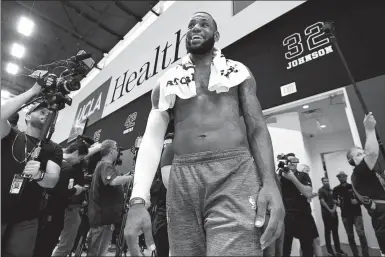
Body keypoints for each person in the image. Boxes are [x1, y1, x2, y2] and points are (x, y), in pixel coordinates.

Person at [124, 11, 285, 256]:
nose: (195, 28)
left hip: (233, 173)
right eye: (191, 25)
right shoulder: (166, 81)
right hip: (183, 178)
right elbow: (152, 139)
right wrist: (138, 199)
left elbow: (257, 127)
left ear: (216, 35)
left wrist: (270, 183)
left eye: (203, 24)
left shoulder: (238, 72)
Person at [1, 80, 62, 257]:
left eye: (49, 113)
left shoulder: (53, 148)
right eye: (41, 111)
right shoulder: (10, 134)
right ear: (27, 116)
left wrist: (39, 175)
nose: (46, 114)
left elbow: (52, 181)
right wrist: (33, 91)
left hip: (27, 219)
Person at [33, 141, 90, 257]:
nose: (79, 161)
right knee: (46, 245)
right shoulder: (67, 168)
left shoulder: (50, 162)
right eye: (80, 158)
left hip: (41, 210)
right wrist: (75, 190)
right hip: (54, 211)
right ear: (75, 153)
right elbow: (60, 191)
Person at [347, 112, 385, 255]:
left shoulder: (373, 173)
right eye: (358, 154)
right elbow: (372, 154)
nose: (363, 155)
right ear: (352, 161)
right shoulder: (358, 174)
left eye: (362, 152)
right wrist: (369, 129)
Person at [87, 140, 134, 256]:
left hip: (102, 218)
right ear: (112, 151)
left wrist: (127, 176)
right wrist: (132, 177)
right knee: (97, 252)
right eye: (117, 150)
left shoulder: (102, 165)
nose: (118, 152)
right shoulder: (105, 165)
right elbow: (113, 181)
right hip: (102, 219)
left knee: (97, 251)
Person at [279, 154, 320, 257]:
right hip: (287, 217)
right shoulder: (280, 177)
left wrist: (293, 178)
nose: (292, 162)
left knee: (307, 249)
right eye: (289, 160)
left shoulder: (303, 175)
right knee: (285, 249)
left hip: (304, 216)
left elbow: (308, 193)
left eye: (294, 160)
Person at [333, 171, 370, 257]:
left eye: (343, 176)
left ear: (346, 177)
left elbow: (362, 199)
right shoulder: (336, 189)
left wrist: (357, 201)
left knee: (361, 234)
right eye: (340, 177)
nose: (342, 178)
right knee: (350, 236)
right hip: (345, 215)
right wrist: (337, 203)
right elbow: (334, 200)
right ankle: (355, 254)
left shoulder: (353, 187)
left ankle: (365, 254)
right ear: (338, 178)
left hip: (357, 214)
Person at [297, 164, 323, 257]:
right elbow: (304, 195)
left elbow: (307, 196)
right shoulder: (297, 181)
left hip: (307, 214)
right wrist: (310, 195)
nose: (307, 173)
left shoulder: (304, 182)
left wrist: (310, 195)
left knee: (315, 240)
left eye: (308, 171)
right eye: (306, 170)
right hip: (301, 216)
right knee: (305, 243)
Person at [318, 178, 346, 256]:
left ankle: (338, 250)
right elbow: (322, 201)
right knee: (328, 232)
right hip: (326, 214)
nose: (326, 182)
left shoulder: (332, 190)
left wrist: (333, 209)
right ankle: (329, 251)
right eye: (324, 181)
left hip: (334, 214)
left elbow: (335, 200)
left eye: (327, 181)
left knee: (335, 232)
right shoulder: (321, 190)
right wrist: (329, 210)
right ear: (322, 182)